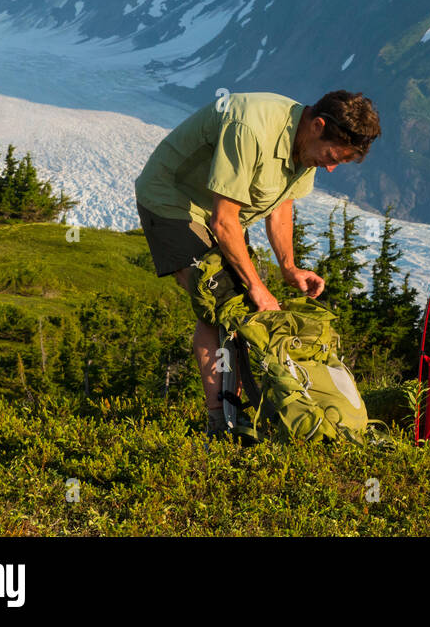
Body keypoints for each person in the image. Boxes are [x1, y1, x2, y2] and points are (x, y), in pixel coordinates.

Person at [134, 90, 381, 436]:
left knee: (242, 307)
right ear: (317, 124)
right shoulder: (250, 126)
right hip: (175, 201)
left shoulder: (304, 145)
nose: (330, 166)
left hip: (222, 212)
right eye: (331, 156)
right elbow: (223, 221)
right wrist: (257, 286)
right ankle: (222, 423)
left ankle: (238, 416)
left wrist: (289, 267)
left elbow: (281, 203)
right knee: (220, 304)